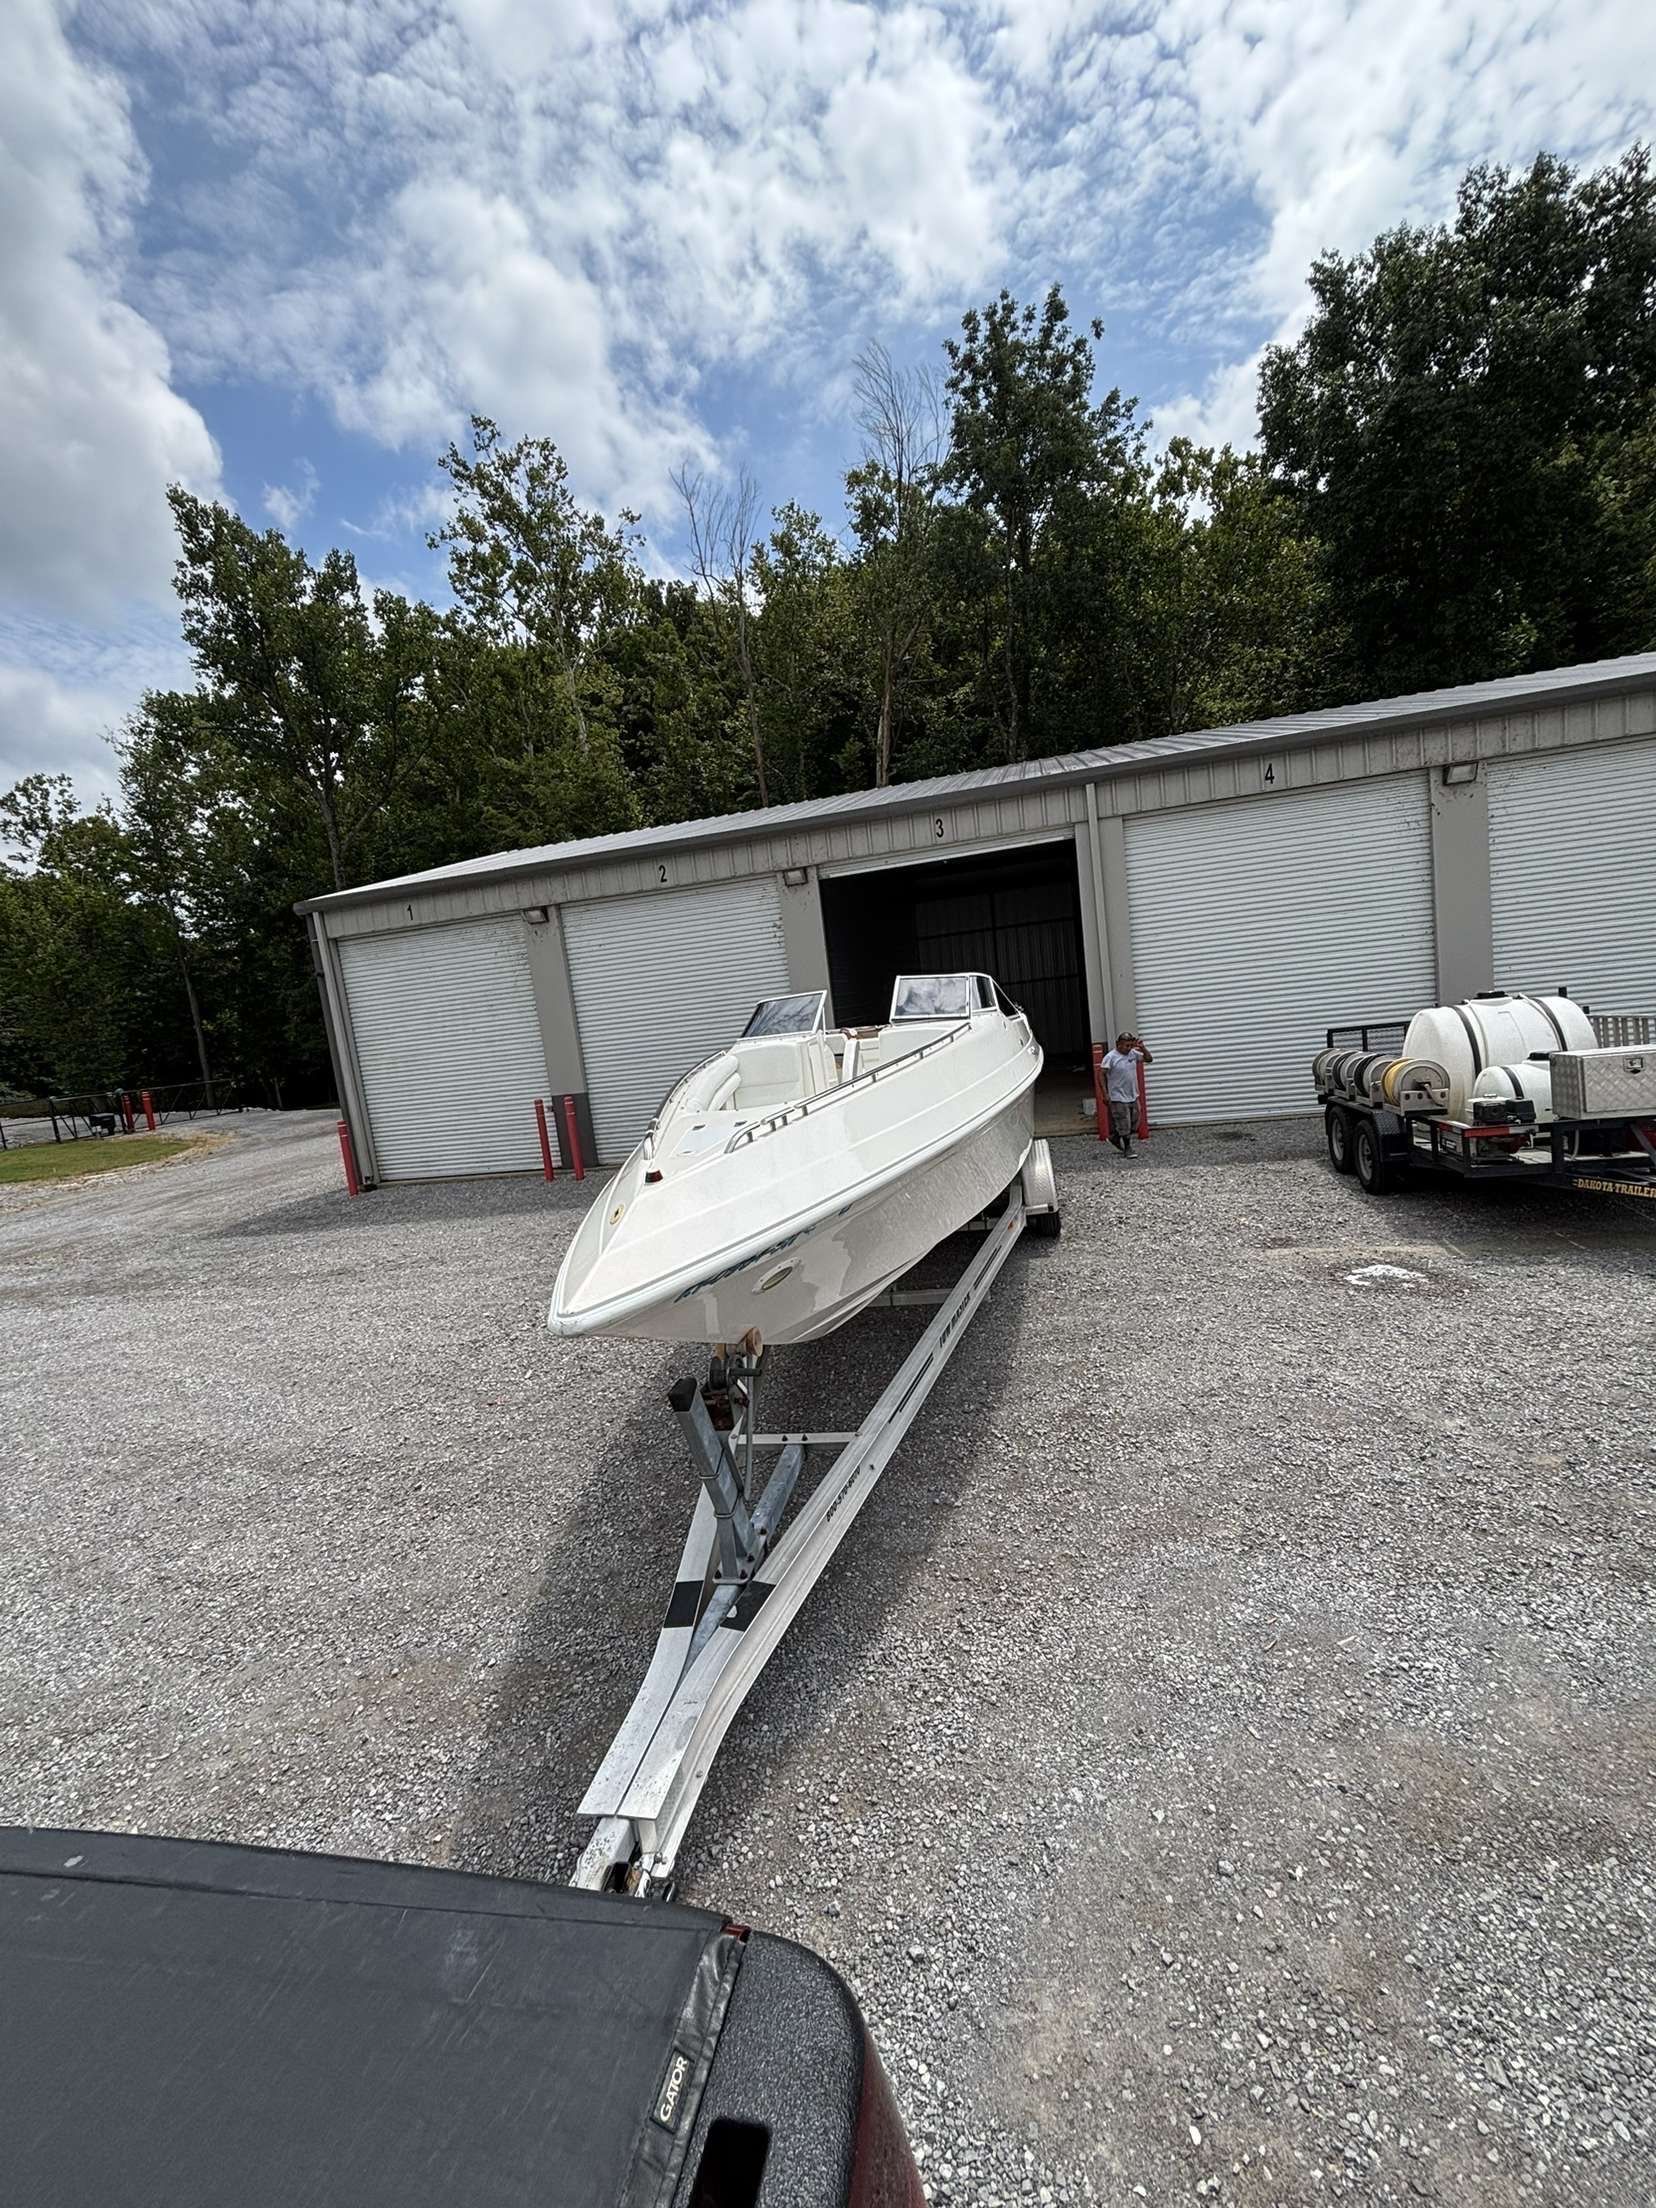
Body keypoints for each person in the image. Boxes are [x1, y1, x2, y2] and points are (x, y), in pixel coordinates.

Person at [1099, 1032, 1152, 1153]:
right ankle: (1127, 1147)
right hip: (1118, 1096)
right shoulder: (1110, 1057)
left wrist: (1142, 1048)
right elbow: (1101, 1074)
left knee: (1135, 1121)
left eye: (1130, 1045)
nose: (1128, 1048)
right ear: (1118, 1044)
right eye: (1126, 1045)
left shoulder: (1133, 1054)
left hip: (1133, 1094)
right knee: (1124, 1122)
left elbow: (1149, 1059)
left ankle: (1116, 1137)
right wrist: (1105, 1093)